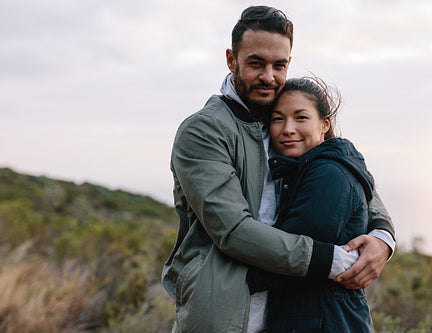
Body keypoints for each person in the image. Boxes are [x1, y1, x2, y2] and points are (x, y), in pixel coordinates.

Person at [162, 6, 395, 332]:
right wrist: (334, 260)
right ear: (232, 60)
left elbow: (343, 172)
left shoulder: (288, 116)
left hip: (289, 311)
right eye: (256, 63)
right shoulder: (204, 130)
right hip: (223, 311)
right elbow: (232, 231)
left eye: (279, 65)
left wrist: (383, 236)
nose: (269, 76)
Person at [246, 77, 376, 332]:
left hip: (325, 321)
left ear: (325, 124)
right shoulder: (302, 171)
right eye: (278, 119)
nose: (288, 129)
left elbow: (286, 259)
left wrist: (217, 278)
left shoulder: (330, 174)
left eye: (301, 117)